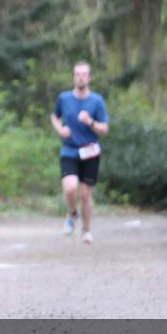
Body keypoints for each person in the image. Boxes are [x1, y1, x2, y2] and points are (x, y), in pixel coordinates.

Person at [49, 61, 109, 244]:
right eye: (77, 74)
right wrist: (60, 129)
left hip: (90, 151)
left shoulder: (96, 101)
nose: (81, 77)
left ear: (89, 77)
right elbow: (54, 116)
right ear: (73, 77)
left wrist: (90, 122)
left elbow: (104, 129)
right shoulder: (64, 98)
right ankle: (72, 213)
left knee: (85, 193)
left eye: (84, 74)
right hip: (69, 150)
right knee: (69, 187)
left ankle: (86, 230)